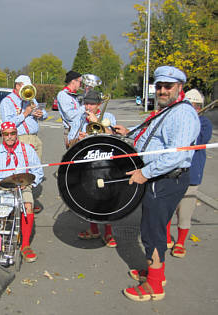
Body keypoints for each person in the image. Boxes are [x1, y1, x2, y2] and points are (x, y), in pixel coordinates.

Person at [114, 66, 200, 301]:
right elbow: (155, 139)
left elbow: (176, 156)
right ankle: (155, 271)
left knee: (152, 232)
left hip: (164, 179)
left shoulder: (182, 113)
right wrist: (130, 133)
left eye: (167, 86)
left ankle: (154, 286)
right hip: (158, 178)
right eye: (159, 86)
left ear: (179, 88)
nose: (162, 90)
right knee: (152, 228)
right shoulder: (168, 110)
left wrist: (145, 173)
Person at [0, 122, 44, 262]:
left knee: (28, 205)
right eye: (6, 134)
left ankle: (25, 246)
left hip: (21, 187)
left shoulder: (28, 150)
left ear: (16, 134)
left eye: (12, 133)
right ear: (2, 135)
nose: (10, 137)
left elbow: (38, 172)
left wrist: (29, 183)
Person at [166, 89, 212, 258]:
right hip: (172, 171)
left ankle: (180, 242)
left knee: (185, 210)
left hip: (192, 173)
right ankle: (166, 236)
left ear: (198, 107)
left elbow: (199, 140)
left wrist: (191, 123)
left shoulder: (204, 123)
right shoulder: (177, 120)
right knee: (168, 207)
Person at [70, 90, 117, 248]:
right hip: (86, 162)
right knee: (89, 197)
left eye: (92, 104)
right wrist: (78, 139)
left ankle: (109, 232)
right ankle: (94, 229)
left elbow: (114, 138)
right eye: (86, 103)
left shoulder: (108, 117)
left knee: (106, 198)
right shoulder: (79, 118)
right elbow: (70, 143)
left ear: (99, 105)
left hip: (104, 162)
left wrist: (97, 121)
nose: (88, 106)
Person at [0, 75, 48, 161]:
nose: (27, 90)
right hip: (20, 138)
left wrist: (41, 114)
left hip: (35, 138)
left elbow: (45, 114)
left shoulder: (30, 98)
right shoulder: (7, 101)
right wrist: (25, 114)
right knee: (23, 171)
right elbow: (7, 124)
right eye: (24, 87)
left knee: (36, 169)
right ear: (17, 86)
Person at [56, 71, 85, 148]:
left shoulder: (73, 95)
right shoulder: (63, 95)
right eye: (80, 82)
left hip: (80, 131)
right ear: (73, 81)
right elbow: (70, 115)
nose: (81, 84)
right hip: (72, 133)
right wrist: (85, 107)